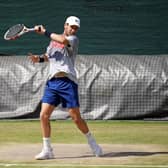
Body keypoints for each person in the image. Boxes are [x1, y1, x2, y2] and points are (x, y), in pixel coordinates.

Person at [28, 16, 103, 160]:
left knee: (76, 118)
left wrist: (44, 31)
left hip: (67, 82)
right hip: (52, 83)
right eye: (71, 27)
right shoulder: (53, 41)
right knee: (43, 115)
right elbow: (48, 56)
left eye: (76, 28)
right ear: (65, 25)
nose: (73, 29)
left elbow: (62, 41)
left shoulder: (73, 39)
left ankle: (93, 143)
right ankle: (47, 150)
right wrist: (38, 59)